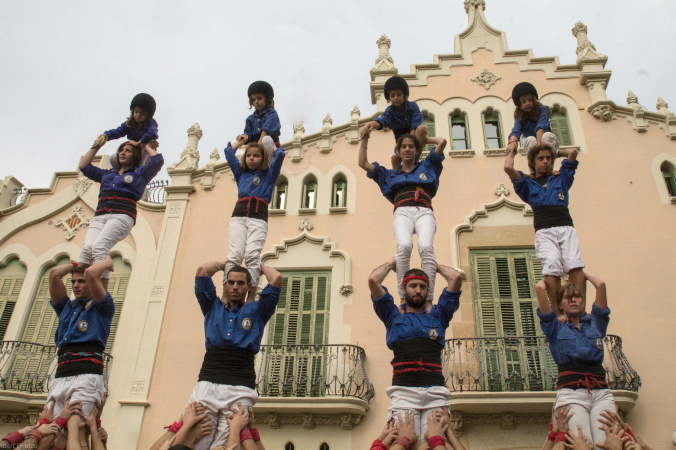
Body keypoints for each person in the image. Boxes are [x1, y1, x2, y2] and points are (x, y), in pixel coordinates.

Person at [188, 260, 282, 450]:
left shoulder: (257, 310)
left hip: (240, 385)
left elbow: (277, 278)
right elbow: (201, 270)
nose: (235, 287)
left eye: (240, 283)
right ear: (225, 284)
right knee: (199, 438)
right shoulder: (211, 306)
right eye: (230, 282)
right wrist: (226, 264)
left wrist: (258, 266)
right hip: (208, 382)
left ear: (249, 286)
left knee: (228, 443)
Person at [368, 258, 462, 441]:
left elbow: (456, 278)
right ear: (404, 289)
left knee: (437, 442)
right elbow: (373, 280)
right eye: (413, 285)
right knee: (403, 442)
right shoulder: (392, 317)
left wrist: (436, 266)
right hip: (404, 394)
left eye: (422, 286)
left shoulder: (439, 317)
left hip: (435, 393)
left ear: (428, 291)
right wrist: (392, 263)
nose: (418, 290)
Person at [360, 128, 447, 306]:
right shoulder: (390, 174)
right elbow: (362, 162)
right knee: (404, 246)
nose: (407, 149)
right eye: (404, 147)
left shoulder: (427, 166)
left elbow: (442, 142)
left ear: (416, 150)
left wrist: (424, 139)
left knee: (426, 247)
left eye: (411, 146)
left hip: (424, 210)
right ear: (398, 151)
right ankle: (403, 298)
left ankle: (428, 300)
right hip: (402, 211)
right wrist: (364, 138)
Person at [504, 142, 585, 315]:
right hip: (544, 230)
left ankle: (580, 310)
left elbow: (572, 152)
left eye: (549, 158)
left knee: (574, 264)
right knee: (551, 266)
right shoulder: (527, 183)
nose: (546, 161)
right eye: (540, 158)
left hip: (566, 226)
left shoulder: (561, 178)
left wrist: (556, 151)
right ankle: (559, 312)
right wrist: (511, 151)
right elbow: (508, 168)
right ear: (533, 162)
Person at [536, 272, 615, 449]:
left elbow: (601, 283)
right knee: (581, 444)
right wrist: (552, 276)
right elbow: (540, 288)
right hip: (571, 393)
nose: (573, 300)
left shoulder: (596, 322)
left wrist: (579, 273)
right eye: (567, 298)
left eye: (577, 297)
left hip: (601, 392)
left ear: (583, 301)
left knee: (605, 444)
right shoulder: (555, 326)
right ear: (560, 304)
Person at [78, 140, 163, 290]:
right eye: (121, 150)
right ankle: (82, 291)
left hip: (122, 216)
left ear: (135, 155)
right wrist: (96, 146)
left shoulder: (139, 174)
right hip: (100, 216)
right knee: (87, 248)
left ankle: (101, 294)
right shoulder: (107, 174)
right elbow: (84, 166)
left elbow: (157, 161)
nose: (123, 152)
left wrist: (148, 147)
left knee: (99, 246)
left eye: (128, 150)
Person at [46, 257, 115, 419]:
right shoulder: (67, 307)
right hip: (61, 373)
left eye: (82, 281)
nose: (76, 285)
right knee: (50, 427)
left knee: (77, 425)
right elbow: (54, 274)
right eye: (73, 281)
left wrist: (106, 264)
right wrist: (75, 265)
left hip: (87, 374)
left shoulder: (103, 306)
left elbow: (91, 273)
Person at [223, 135, 285, 302]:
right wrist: (241, 142)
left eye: (256, 155)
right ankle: (225, 295)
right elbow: (228, 152)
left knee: (252, 255)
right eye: (248, 155)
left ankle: (250, 297)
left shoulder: (269, 177)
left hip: (258, 218)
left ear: (263, 158)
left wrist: (271, 148)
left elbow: (280, 156)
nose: (251, 158)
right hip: (239, 217)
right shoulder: (241, 173)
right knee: (234, 255)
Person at [360, 76, 428, 169]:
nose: (396, 98)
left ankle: (415, 160)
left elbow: (415, 125)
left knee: (421, 129)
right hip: (400, 141)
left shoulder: (413, 106)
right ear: (389, 97)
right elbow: (381, 121)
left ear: (404, 94)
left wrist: (410, 144)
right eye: (393, 95)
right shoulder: (390, 111)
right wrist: (370, 124)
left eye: (399, 94)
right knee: (394, 159)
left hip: (414, 137)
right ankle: (397, 178)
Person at [92, 93, 160, 168]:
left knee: (146, 145)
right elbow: (118, 132)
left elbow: (152, 133)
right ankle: (118, 173)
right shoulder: (130, 123)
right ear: (133, 111)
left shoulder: (150, 123)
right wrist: (105, 136)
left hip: (145, 153)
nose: (138, 115)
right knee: (113, 158)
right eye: (136, 112)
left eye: (142, 113)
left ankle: (139, 170)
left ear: (148, 115)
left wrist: (138, 143)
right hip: (134, 150)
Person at [507, 82, 559, 168]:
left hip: (546, 142)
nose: (527, 103)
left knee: (547, 135)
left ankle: (549, 168)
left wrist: (539, 150)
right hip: (534, 144)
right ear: (519, 104)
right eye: (523, 101)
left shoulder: (542, 110)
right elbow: (516, 131)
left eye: (530, 100)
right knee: (530, 139)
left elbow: (540, 127)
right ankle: (534, 170)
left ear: (534, 100)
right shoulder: (519, 116)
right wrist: (512, 142)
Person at [239, 80, 281, 165]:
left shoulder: (272, 114)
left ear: (266, 99)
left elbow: (266, 130)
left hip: (267, 145)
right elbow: (248, 134)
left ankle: (268, 166)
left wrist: (258, 146)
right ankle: (245, 174)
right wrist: (244, 137)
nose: (256, 102)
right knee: (243, 152)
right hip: (255, 147)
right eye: (254, 100)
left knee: (266, 140)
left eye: (259, 98)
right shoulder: (250, 119)